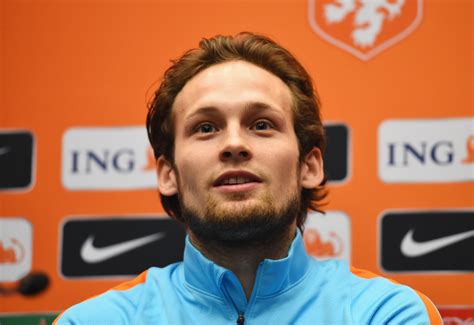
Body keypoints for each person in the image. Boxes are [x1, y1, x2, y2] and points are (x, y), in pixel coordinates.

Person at [55, 32, 442, 324]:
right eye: (206, 128)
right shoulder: (94, 321)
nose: (234, 144)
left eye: (261, 124)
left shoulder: (384, 313)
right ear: (168, 174)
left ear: (309, 167)